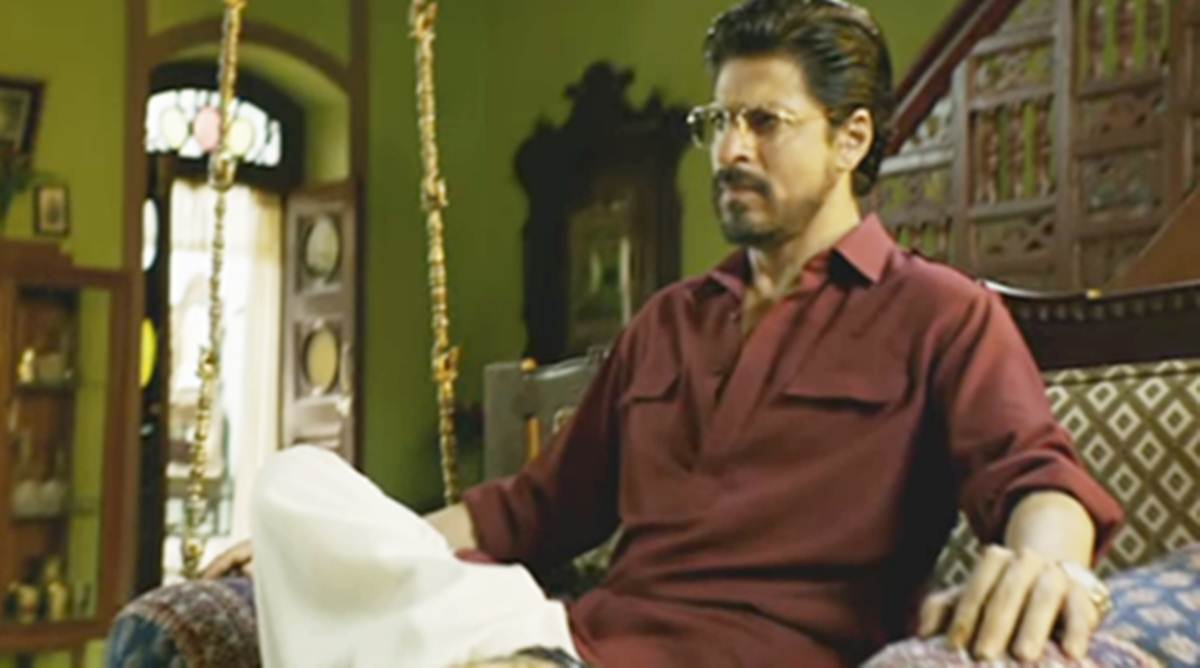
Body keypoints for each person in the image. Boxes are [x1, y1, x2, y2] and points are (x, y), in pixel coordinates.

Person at [209, 1, 1123, 666]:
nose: (729, 150)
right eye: (717, 121)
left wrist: (1049, 564)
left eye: (763, 123)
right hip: (570, 635)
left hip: (758, 655)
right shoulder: (671, 320)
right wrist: (360, 538)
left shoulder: (941, 313)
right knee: (295, 484)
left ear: (851, 139)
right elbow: (531, 510)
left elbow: (1036, 477)